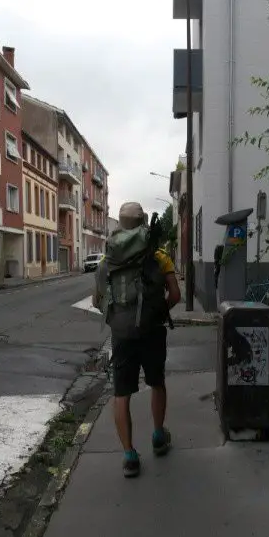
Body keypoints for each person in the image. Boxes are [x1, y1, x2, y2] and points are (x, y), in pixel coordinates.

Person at [94, 202, 181, 478]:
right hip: (153, 330)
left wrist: (120, 317)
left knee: (122, 393)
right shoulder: (159, 256)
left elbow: (98, 301)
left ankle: (130, 456)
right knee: (157, 382)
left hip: (122, 336)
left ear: (119, 224)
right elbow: (176, 295)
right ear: (143, 222)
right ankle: (158, 436)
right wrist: (156, 312)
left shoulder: (107, 262)